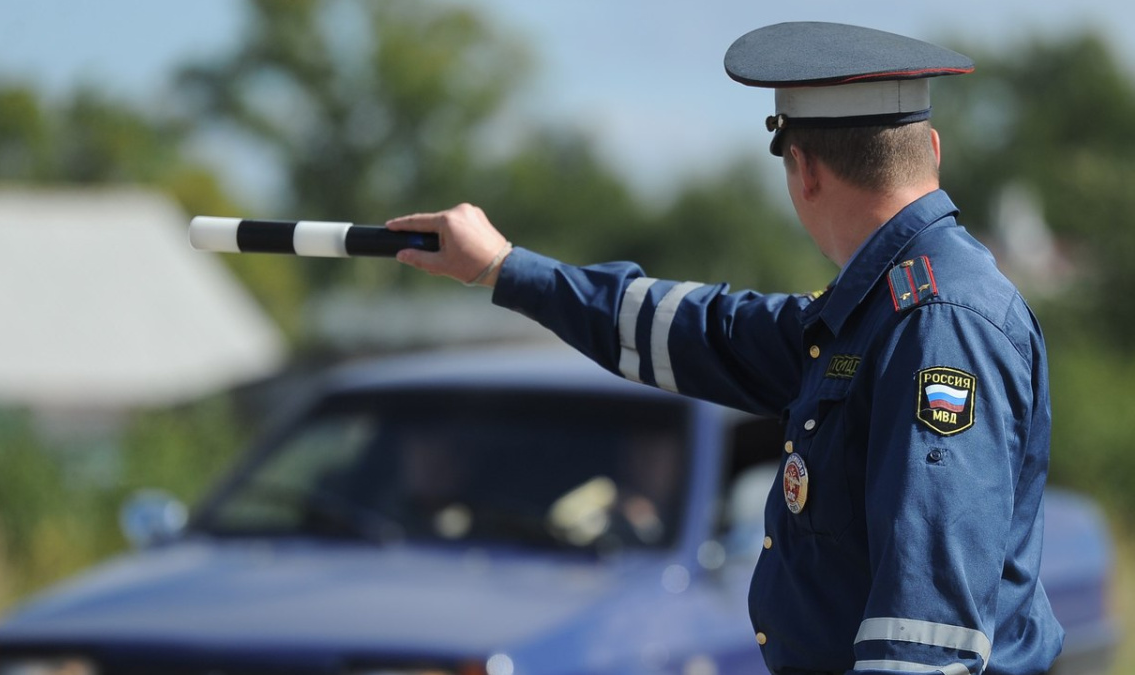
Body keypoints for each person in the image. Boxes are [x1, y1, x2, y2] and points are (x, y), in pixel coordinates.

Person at [382, 21, 1063, 675]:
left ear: (803, 168)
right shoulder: (881, 308)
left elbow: (925, 638)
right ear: (932, 149)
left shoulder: (934, 320)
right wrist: (504, 266)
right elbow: (703, 330)